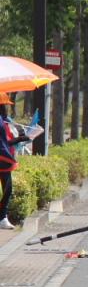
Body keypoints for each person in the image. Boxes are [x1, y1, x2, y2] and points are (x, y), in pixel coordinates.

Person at [0, 92, 31, 230]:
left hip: (4, 157)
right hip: (2, 159)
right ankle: (2, 218)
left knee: (7, 189)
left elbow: (4, 142)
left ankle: (2, 217)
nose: (6, 107)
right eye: (5, 105)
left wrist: (19, 138)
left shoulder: (3, 120)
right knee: (7, 189)